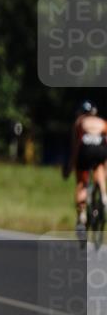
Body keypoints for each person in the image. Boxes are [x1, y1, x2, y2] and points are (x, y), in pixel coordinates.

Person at [62, 100, 107, 237]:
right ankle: (104, 196)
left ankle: (81, 217)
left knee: (82, 183)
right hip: (100, 150)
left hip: (85, 150)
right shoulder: (102, 122)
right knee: (99, 167)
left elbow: (75, 148)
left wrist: (70, 167)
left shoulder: (80, 122)